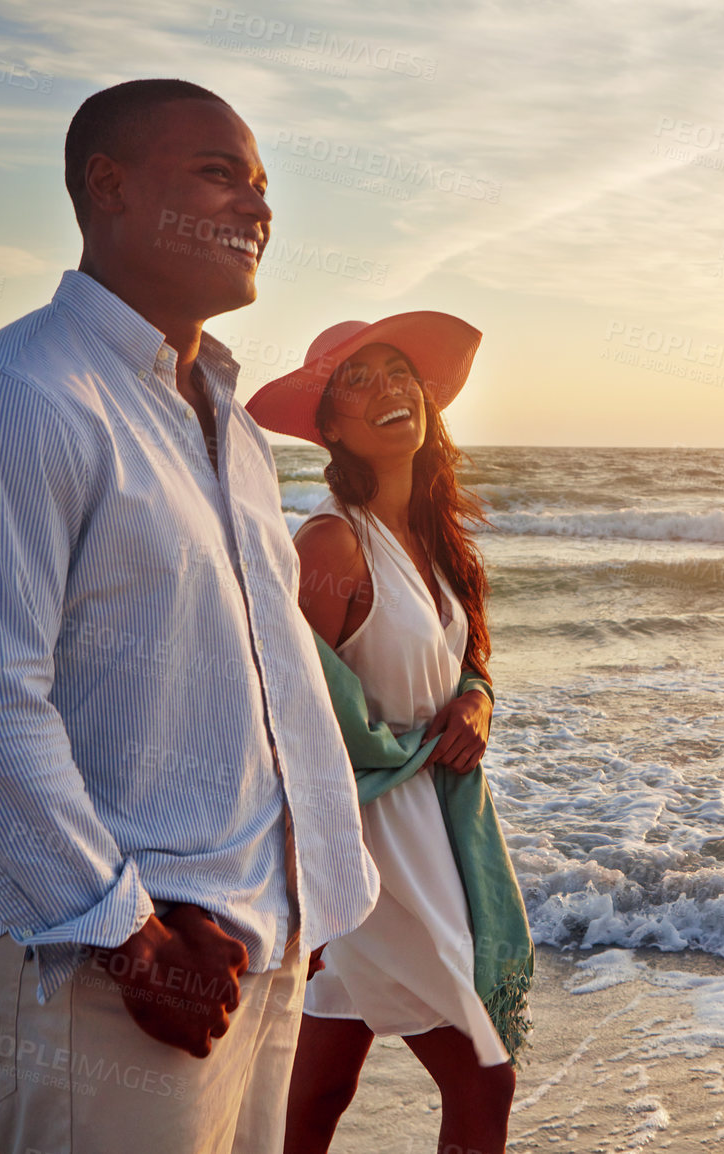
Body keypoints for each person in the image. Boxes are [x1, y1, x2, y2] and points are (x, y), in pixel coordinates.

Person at [0, 79, 379, 1153]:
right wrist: (129, 936)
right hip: (115, 965)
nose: (257, 205)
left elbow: (265, 678)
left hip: (252, 943)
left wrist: (309, 892)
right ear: (106, 186)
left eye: (261, 182)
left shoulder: (228, 424)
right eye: (218, 172)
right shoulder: (11, 401)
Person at [245, 315, 528, 1154]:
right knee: (484, 1075)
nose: (389, 388)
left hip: (428, 826)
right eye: (357, 380)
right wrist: (301, 882)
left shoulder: (439, 542)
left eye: (398, 370)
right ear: (330, 425)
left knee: (324, 1079)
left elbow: (470, 662)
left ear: (428, 398)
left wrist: (476, 705)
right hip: (363, 846)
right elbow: (280, 715)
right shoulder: (332, 543)